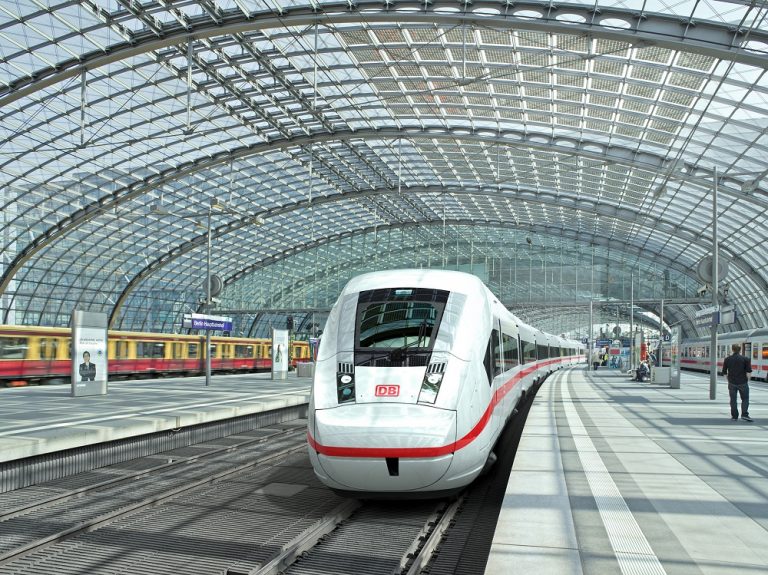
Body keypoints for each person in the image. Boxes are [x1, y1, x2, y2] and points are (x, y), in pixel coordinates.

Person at [721, 343, 752, 422]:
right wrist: (747, 380)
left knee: (733, 400)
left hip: (732, 383)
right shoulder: (745, 359)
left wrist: (728, 380)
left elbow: (724, 372)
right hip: (743, 382)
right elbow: (749, 372)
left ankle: (734, 416)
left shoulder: (727, 359)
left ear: (732, 349)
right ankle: (744, 414)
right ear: (740, 350)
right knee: (745, 399)